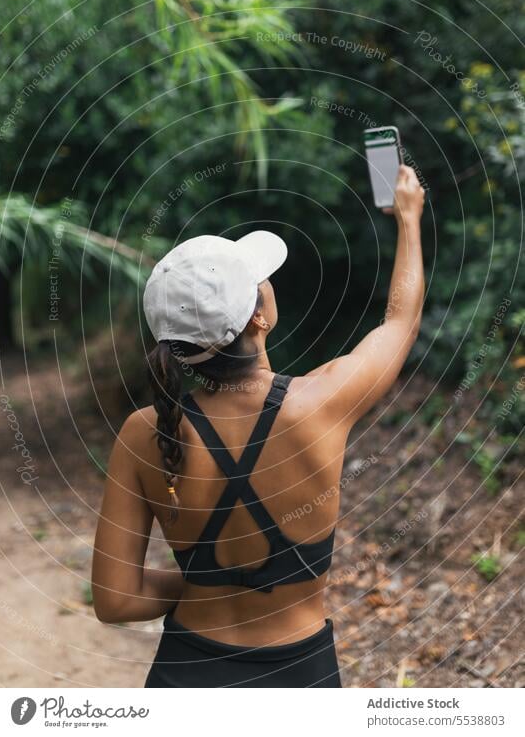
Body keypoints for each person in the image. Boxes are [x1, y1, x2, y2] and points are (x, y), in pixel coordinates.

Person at [91, 164, 425, 688]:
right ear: (257, 317)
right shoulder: (320, 403)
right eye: (259, 281)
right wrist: (409, 218)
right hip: (302, 676)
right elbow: (401, 320)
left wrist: (212, 587)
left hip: (185, 679)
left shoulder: (142, 433)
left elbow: (115, 600)